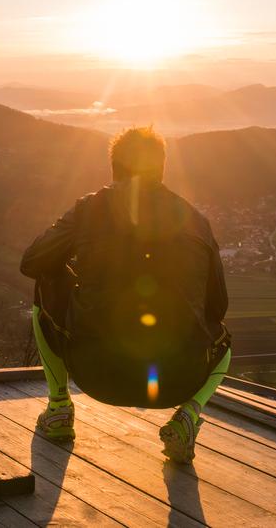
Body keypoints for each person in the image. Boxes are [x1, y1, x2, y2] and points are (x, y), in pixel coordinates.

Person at [20, 126, 232, 463]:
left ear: (114, 168)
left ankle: (59, 408)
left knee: (47, 279)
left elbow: (33, 262)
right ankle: (189, 416)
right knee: (224, 339)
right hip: (179, 380)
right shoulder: (196, 221)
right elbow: (218, 306)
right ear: (162, 169)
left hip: (97, 371)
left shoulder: (90, 208)